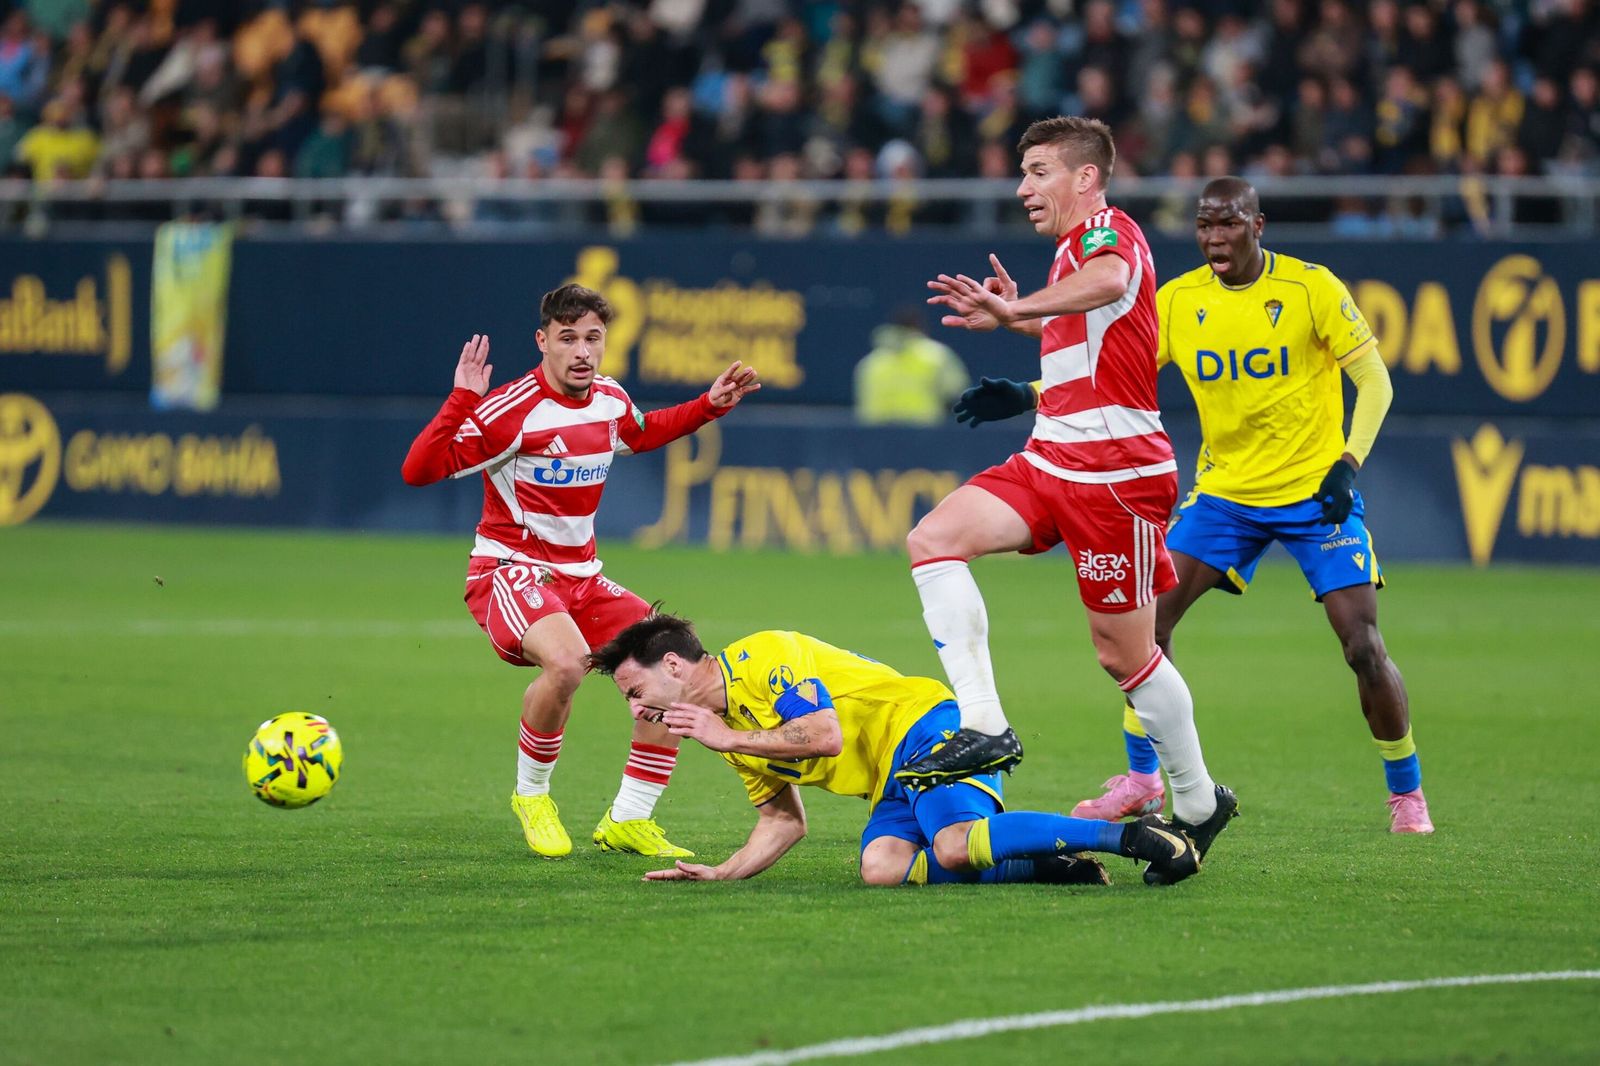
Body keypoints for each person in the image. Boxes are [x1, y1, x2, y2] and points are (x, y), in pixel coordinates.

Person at [955, 177, 1433, 834]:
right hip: (1224, 497)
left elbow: (1373, 381)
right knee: (1145, 628)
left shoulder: (1309, 287)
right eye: (1205, 226)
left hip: (1313, 493)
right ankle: (1144, 780)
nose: (1214, 238)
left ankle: (1406, 792)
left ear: (1257, 225)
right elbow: (1108, 373)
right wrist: (1026, 393)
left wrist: (1347, 464)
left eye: (1228, 224)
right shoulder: (1179, 300)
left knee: (1362, 644)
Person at [906, 115, 1237, 877]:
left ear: (1086, 178)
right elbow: (1094, 336)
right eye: (1023, 173)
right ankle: (984, 722)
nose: (1024, 187)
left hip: (1116, 475)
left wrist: (1022, 309)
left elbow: (1114, 280)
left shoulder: (1106, 234)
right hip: (1053, 456)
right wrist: (1020, 323)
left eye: (1039, 171)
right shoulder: (1070, 253)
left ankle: (1195, 800)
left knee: (1125, 655)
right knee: (933, 539)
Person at [401, 284, 761, 858]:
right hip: (510, 571)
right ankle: (533, 796)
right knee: (567, 662)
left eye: (593, 338)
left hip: (583, 578)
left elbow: (643, 432)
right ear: (543, 341)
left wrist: (709, 405)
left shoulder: (610, 400)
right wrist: (461, 400)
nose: (582, 352)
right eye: (568, 339)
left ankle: (628, 818)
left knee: (679, 666)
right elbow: (418, 471)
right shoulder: (509, 411)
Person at [586, 610, 1204, 886]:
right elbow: (781, 821)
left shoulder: (762, 658)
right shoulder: (721, 728)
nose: (638, 710)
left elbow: (823, 736)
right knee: (881, 868)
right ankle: (1041, 865)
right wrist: (722, 871)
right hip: (892, 778)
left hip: (925, 729)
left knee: (954, 846)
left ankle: (1135, 837)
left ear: (672, 663)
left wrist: (728, 736)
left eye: (636, 690)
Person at [852, 306, 972, 426]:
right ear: (920, 326)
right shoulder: (936, 356)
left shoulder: (871, 362)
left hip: (876, 433)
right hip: (922, 430)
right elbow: (954, 390)